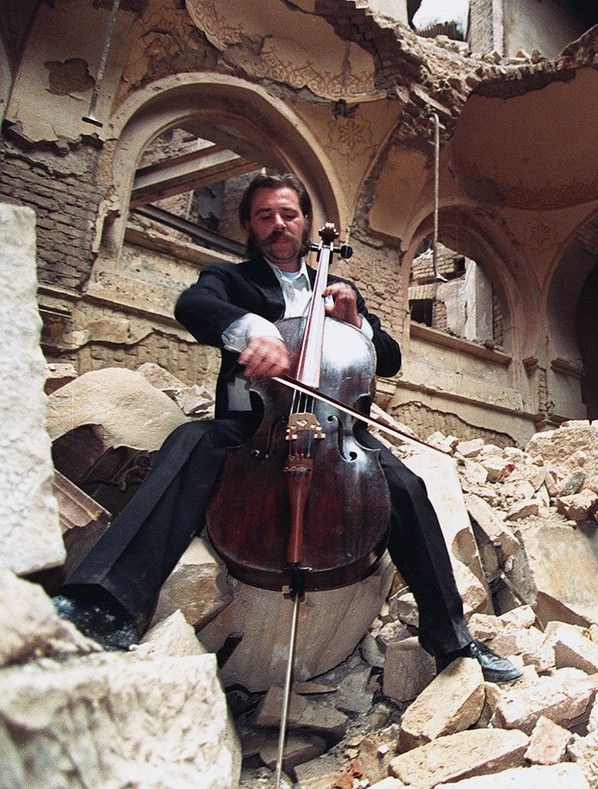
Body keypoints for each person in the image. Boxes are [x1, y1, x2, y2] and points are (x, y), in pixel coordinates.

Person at [54, 172, 522, 684]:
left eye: (288, 214)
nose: (278, 224)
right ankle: (103, 604)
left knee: (408, 487)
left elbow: (387, 360)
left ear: (304, 223)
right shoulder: (231, 280)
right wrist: (252, 328)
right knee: (191, 441)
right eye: (264, 216)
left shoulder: (342, 292)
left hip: (335, 431)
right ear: (250, 227)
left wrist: (358, 325)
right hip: (254, 426)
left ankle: (453, 640)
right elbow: (193, 306)